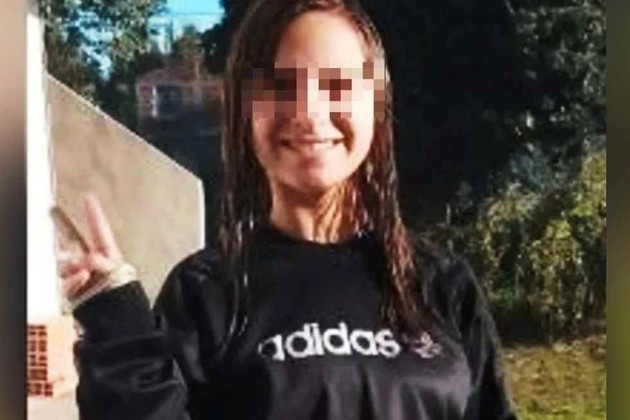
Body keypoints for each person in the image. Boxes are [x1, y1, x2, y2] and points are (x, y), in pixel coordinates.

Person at [58, 0, 518, 418]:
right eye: (281, 86)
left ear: (376, 107)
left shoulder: (441, 286)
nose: (309, 110)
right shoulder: (207, 292)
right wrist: (120, 336)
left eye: (337, 84)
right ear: (245, 113)